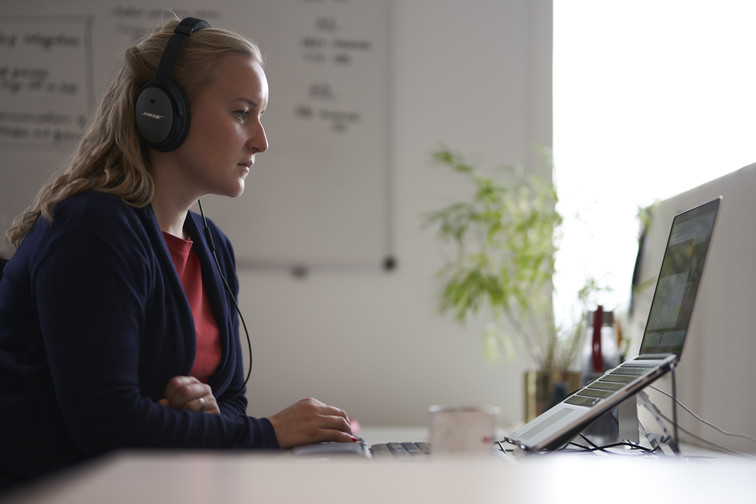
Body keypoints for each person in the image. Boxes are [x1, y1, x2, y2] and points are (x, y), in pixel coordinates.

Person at [0, 17, 355, 490]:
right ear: (163, 113)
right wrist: (268, 434)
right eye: (242, 112)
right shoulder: (91, 232)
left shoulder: (213, 247)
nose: (261, 141)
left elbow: (229, 400)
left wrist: (200, 413)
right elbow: (107, 425)